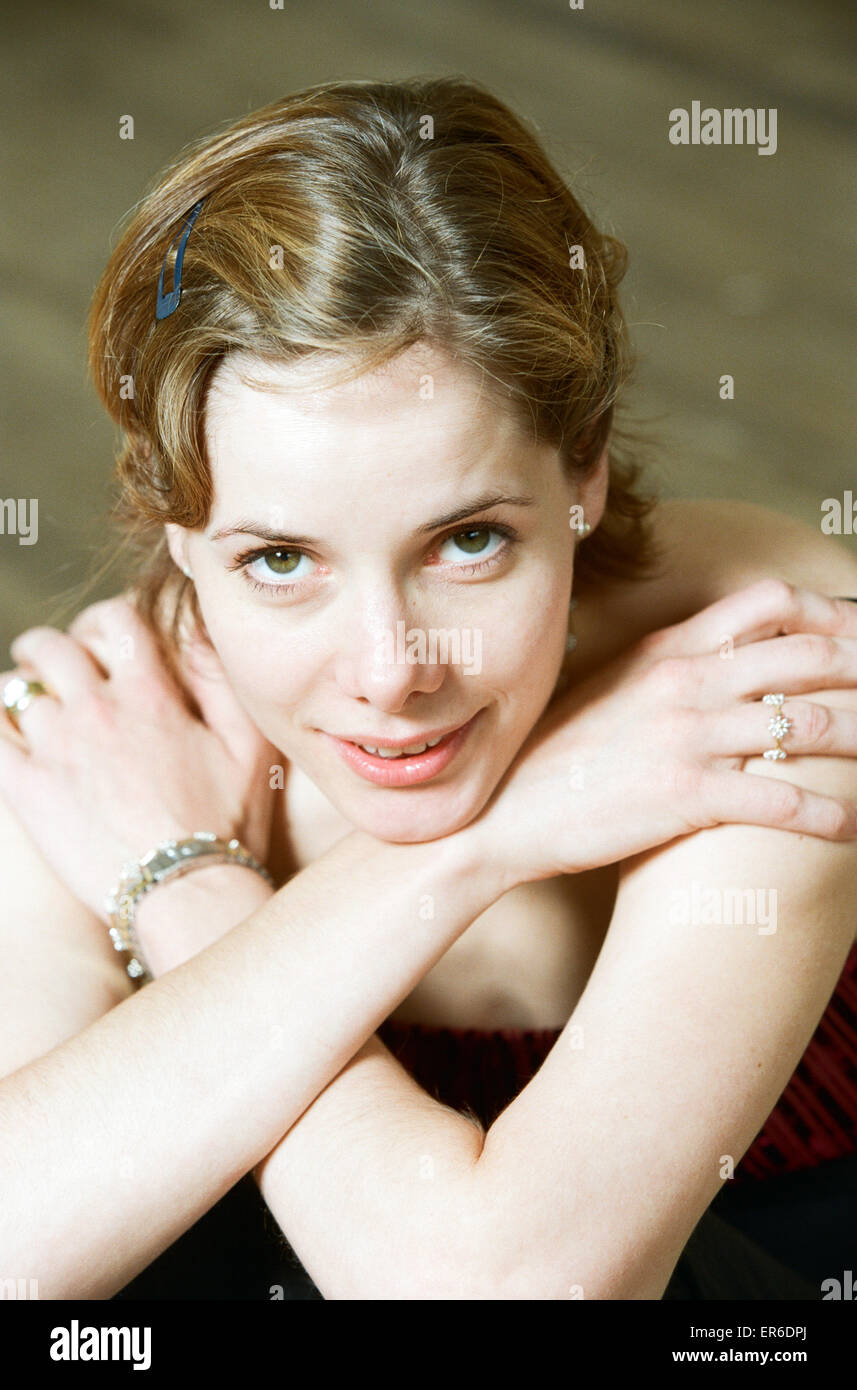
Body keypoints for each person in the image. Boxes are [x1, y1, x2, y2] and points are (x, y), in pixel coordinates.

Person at [1, 76, 856, 1302]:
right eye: (279, 559)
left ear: (582, 469)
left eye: (467, 541)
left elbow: (518, 1289)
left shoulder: (760, 649)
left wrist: (183, 899)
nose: (389, 673)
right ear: (176, 525)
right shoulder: (106, 735)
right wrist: (491, 835)